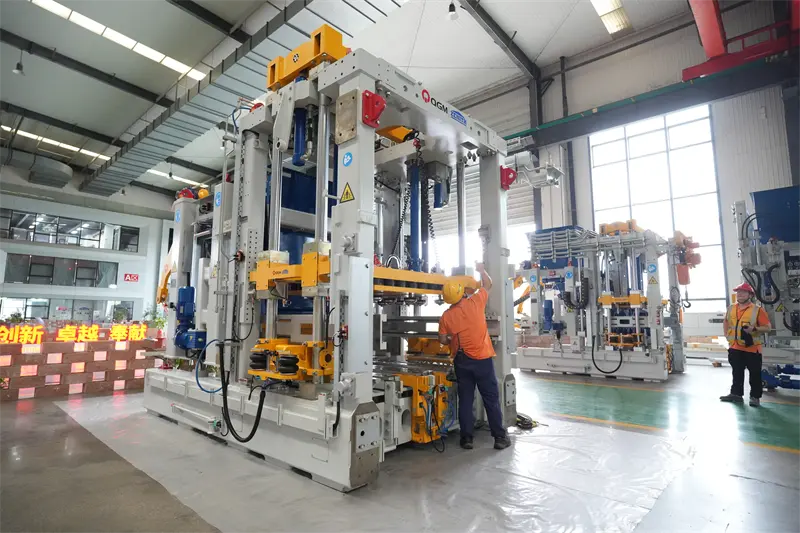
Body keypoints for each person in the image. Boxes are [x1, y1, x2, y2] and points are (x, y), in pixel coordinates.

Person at [438, 262, 511, 450]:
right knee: (490, 399)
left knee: (465, 400)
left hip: (461, 362)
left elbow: (443, 340)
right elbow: (488, 284)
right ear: (462, 291)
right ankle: (499, 438)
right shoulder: (475, 302)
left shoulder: (446, 316)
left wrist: (452, 337)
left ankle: (466, 439)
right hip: (482, 360)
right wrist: (481, 270)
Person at [720, 282, 771, 407]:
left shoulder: (757, 310)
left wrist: (755, 329)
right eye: (738, 292)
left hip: (752, 348)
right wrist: (727, 335)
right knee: (737, 372)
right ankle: (736, 394)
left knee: (755, 374)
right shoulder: (731, 308)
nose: (740, 294)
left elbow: (768, 327)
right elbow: (726, 322)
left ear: (750, 295)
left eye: (743, 292)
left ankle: (755, 397)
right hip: (735, 347)